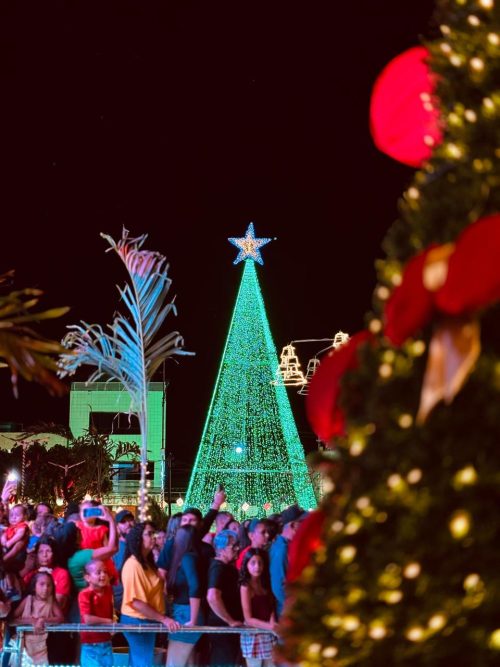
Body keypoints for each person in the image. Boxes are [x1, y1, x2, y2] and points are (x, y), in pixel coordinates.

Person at [120, 522, 179, 667]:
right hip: (137, 620)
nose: (153, 537)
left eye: (154, 533)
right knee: (143, 662)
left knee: (139, 661)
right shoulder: (133, 565)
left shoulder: (147, 562)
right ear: (138, 538)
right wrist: (164, 619)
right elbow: (136, 602)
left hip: (147, 620)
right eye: (149, 534)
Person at [165, 525, 204, 667]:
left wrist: (192, 620)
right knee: (186, 662)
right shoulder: (189, 558)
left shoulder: (187, 558)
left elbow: (195, 586)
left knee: (174, 663)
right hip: (183, 611)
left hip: (186, 613)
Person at [206, 529, 243, 667]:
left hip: (227, 626)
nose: (237, 549)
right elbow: (212, 596)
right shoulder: (218, 568)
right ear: (221, 549)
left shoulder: (225, 567)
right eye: (233, 546)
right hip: (222, 627)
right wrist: (230, 621)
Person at [13, 571, 64, 665]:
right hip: (24, 647)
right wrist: (30, 621)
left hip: (42, 648)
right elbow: (12, 620)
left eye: (49, 585)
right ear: (34, 587)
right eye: (42, 584)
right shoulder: (28, 600)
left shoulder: (51, 601)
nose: (45, 588)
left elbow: (60, 618)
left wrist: (43, 620)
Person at [239, 548, 277, 667]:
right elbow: (248, 619)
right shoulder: (245, 586)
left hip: (268, 632)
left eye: (260, 563)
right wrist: (271, 627)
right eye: (253, 563)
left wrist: (272, 622)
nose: (257, 567)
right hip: (253, 634)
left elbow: (271, 606)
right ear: (246, 565)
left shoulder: (266, 582)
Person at [269, 505, 306, 618]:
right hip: (288, 613)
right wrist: (293, 608)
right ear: (293, 525)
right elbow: (278, 586)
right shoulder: (282, 548)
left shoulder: (284, 545)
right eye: (302, 523)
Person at [78, 559, 114, 667]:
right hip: (91, 645)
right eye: (98, 572)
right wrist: (108, 621)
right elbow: (87, 619)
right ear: (87, 577)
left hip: (106, 642)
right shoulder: (84, 594)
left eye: (105, 572)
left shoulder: (108, 591)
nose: (103, 575)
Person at [23, 536, 71, 614]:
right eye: (40, 552)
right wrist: (26, 569)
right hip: (32, 617)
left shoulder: (62, 574)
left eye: (48, 551)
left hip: (53, 617)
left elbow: (60, 602)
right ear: (36, 555)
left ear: (54, 554)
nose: (44, 555)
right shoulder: (31, 574)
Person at [112, 508, 135, 616]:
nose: (128, 524)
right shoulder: (113, 549)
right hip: (121, 600)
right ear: (117, 527)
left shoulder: (141, 546)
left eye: (130, 520)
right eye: (123, 522)